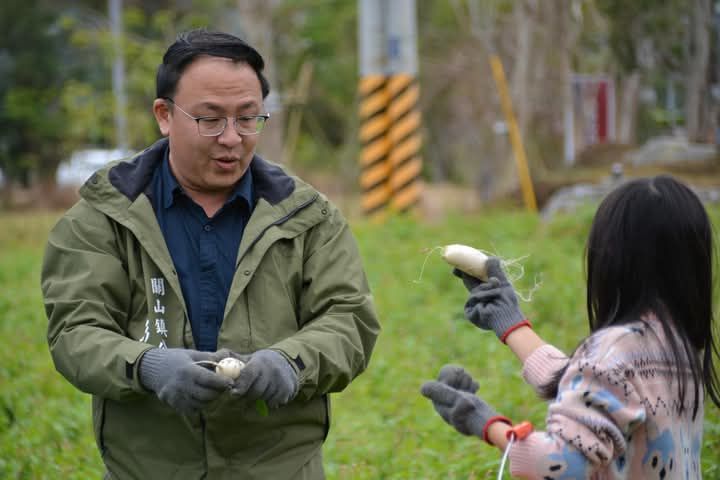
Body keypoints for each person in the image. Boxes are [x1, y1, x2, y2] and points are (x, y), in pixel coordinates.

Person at [41, 29, 380, 479]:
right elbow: (75, 331)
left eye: (248, 118)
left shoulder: (307, 218)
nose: (231, 138)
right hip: (146, 468)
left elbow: (349, 319)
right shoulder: (102, 217)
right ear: (164, 115)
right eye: (210, 119)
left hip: (279, 467)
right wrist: (147, 366)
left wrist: (291, 363)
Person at [421, 175, 720, 478]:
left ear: (609, 260)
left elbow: (560, 466)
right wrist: (510, 322)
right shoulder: (677, 347)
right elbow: (588, 383)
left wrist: (485, 423)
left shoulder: (615, 350)